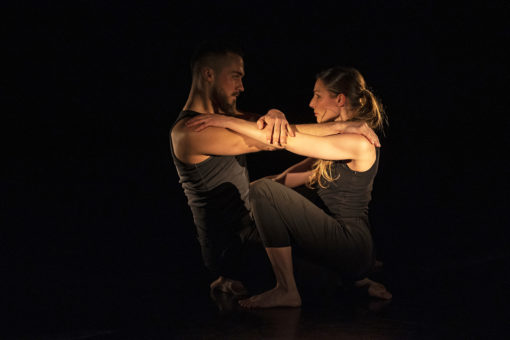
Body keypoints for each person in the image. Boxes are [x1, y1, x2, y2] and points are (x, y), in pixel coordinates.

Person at [170, 40, 381, 295]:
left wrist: (275, 113)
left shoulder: (231, 119)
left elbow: (269, 130)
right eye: (236, 77)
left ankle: (350, 274)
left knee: (323, 267)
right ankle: (346, 277)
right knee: (269, 194)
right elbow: (270, 141)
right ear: (208, 75)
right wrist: (338, 125)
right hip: (233, 246)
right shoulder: (190, 131)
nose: (242, 87)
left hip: (251, 235)